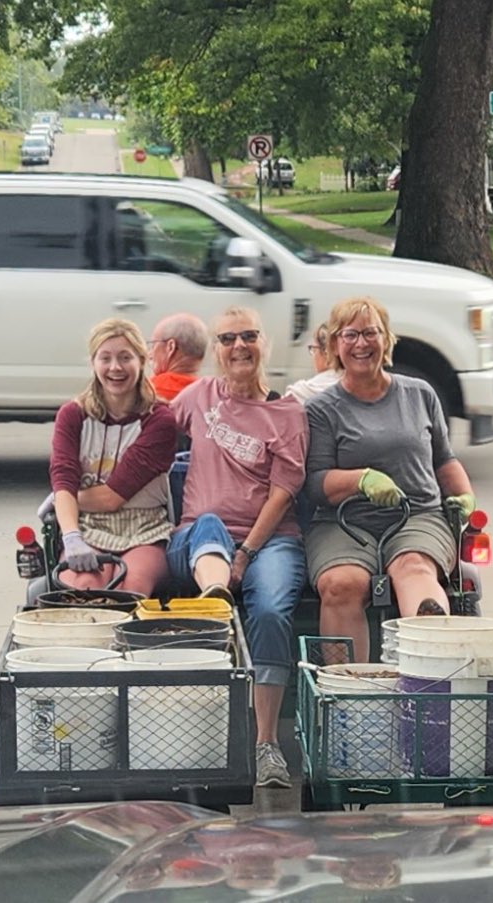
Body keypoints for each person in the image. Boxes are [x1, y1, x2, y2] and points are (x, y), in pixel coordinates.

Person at [166, 306, 308, 789]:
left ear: (265, 343)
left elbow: (283, 493)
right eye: (227, 339)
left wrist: (245, 551)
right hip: (198, 539)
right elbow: (150, 431)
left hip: (269, 541)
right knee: (208, 523)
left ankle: (266, 745)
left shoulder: (287, 413)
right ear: (215, 350)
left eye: (249, 336)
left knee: (269, 610)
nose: (239, 346)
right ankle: (200, 731)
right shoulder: (197, 396)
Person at [304, 296, 476, 662]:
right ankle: (347, 688)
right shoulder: (320, 409)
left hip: (417, 515)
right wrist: (360, 480)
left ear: (387, 339)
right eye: (350, 335)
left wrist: (465, 497)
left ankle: (429, 669)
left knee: (413, 566)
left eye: (371, 333)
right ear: (335, 344)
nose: (361, 343)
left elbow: (444, 459)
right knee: (341, 584)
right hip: (343, 521)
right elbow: (315, 483)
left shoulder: (420, 394)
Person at [48, 318, 177, 595]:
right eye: (105, 358)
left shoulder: (160, 420)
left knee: (130, 588)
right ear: (93, 363)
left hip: (145, 527)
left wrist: (61, 498)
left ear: (142, 361)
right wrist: (71, 536)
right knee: (84, 587)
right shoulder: (72, 415)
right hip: (87, 526)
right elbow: (64, 476)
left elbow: (111, 498)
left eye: (125, 357)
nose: (115, 367)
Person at [148, 313, 210, 401]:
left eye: (153, 345)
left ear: (170, 347)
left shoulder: (150, 392)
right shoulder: (211, 394)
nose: (150, 354)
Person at [284, 321, 340, 403]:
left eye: (314, 349)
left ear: (326, 353)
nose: (313, 356)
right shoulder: (353, 386)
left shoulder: (303, 392)